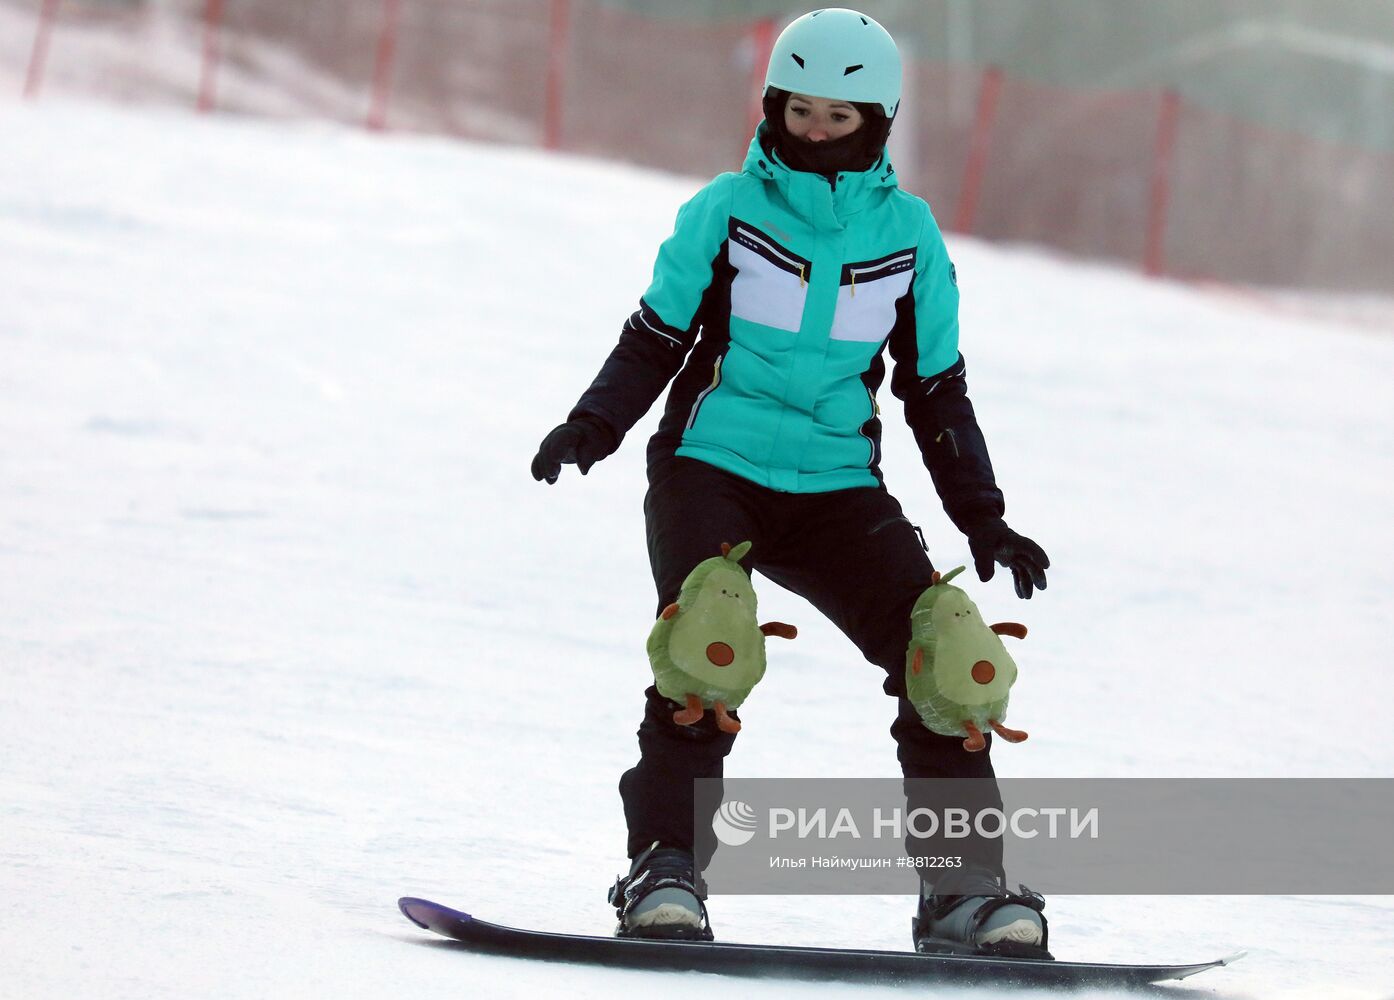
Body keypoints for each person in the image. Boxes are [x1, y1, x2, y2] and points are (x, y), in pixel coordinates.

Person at [531, 7, 1051, 956]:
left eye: (838, 117)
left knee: (951, 663)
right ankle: (664, 870)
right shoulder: (725, 210)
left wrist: (985, 518)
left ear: (878, 122)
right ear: (772, 102)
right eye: (798, 108)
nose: (812, 130)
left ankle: (964, 893)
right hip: (711, 469)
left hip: (836, 488)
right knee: (709, 640)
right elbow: (656, 337)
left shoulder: (909, 238)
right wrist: (593, 425)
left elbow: (936, 389)